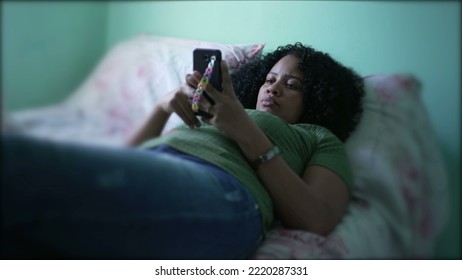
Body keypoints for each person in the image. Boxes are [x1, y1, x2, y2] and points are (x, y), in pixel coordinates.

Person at [1, 43, 364, 260]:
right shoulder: (219, 112)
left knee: (19, 164)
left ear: (318, 100)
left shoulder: (318, 137)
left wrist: (245, 131)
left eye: (292, 84)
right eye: (269, 79)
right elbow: (124, 161)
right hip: (157, 167)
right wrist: (162, 109)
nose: (273, 89)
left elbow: (317, 218)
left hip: (224, 191)